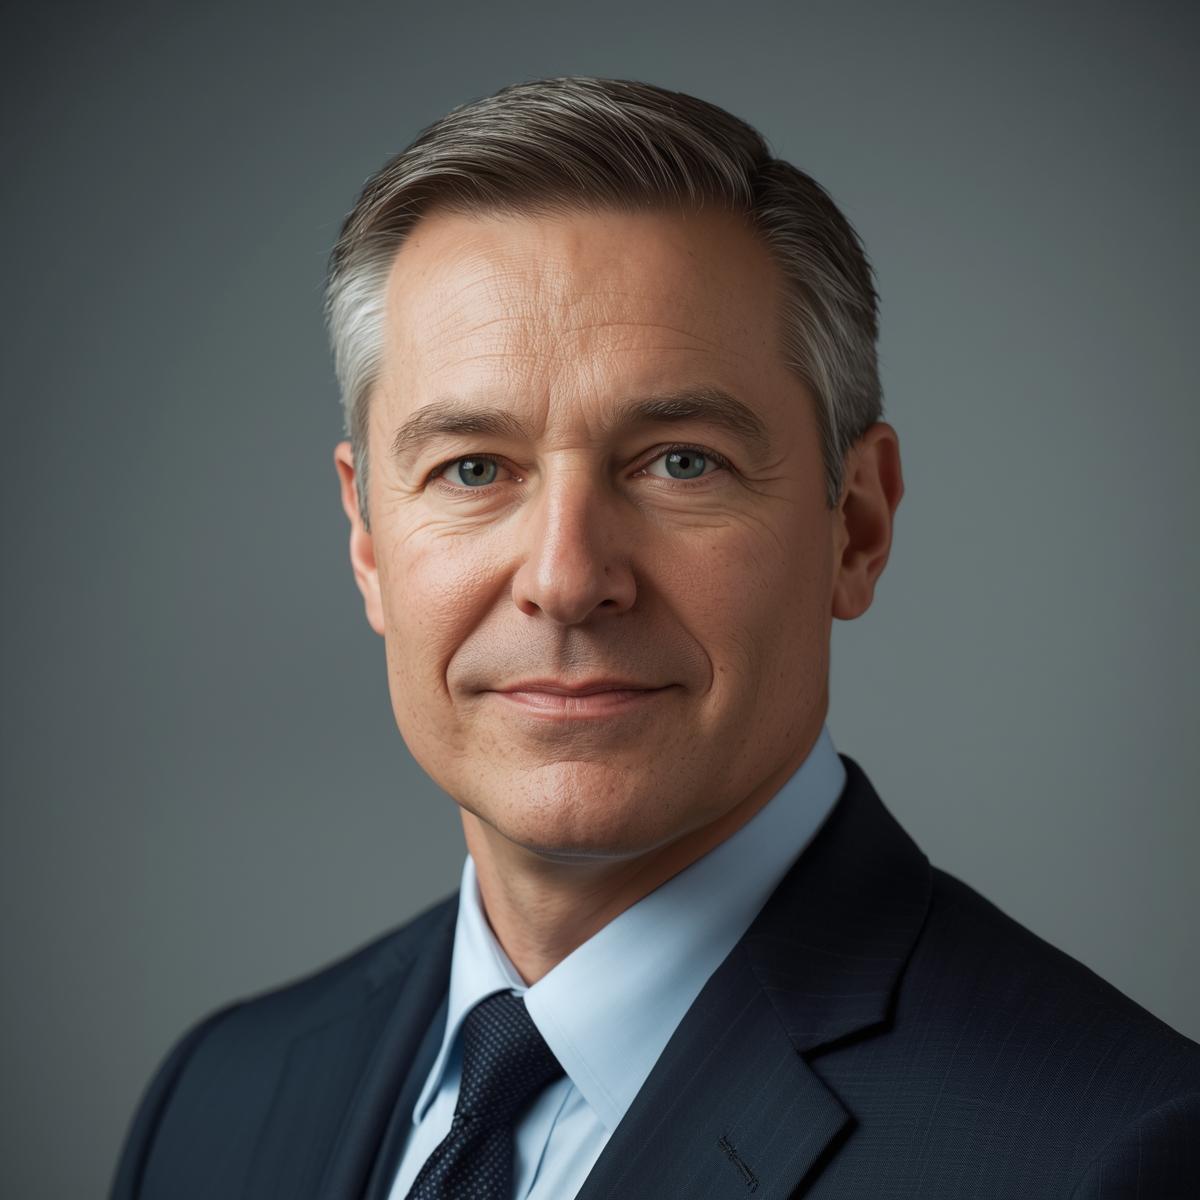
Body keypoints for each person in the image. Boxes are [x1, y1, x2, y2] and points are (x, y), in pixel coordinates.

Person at [110, 77, 1200, 1200]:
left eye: (681, 461)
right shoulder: (219, 1101)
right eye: (473, 469)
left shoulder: (1111, 1154)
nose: (568, 580)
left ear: (856, 526)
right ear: (370, 540)